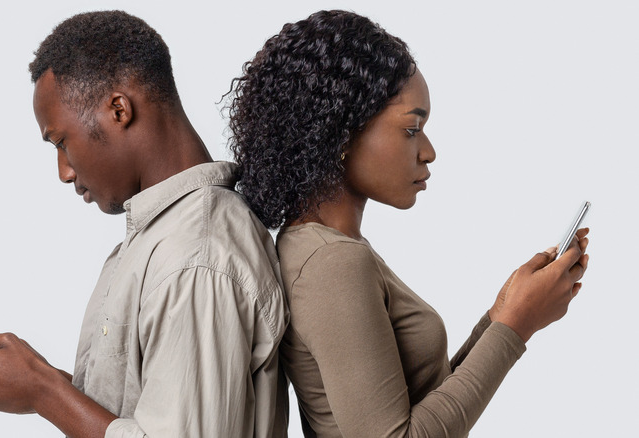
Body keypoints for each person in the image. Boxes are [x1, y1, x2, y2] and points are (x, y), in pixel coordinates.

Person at [227, 10, 590, 438]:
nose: (429, 151)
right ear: (341, 133)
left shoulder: (329, 247)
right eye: (411, 129)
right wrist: (517, 325)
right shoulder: (331, 263)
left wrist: (501, 315)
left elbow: (425, 408)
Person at [0, 10, 288, 438]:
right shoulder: (164, 238)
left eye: (62, 142)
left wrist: (42, 391)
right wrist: (32, 379)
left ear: (119, 109)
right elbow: (148, 412)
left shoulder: (196, 255)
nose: (64, 172)